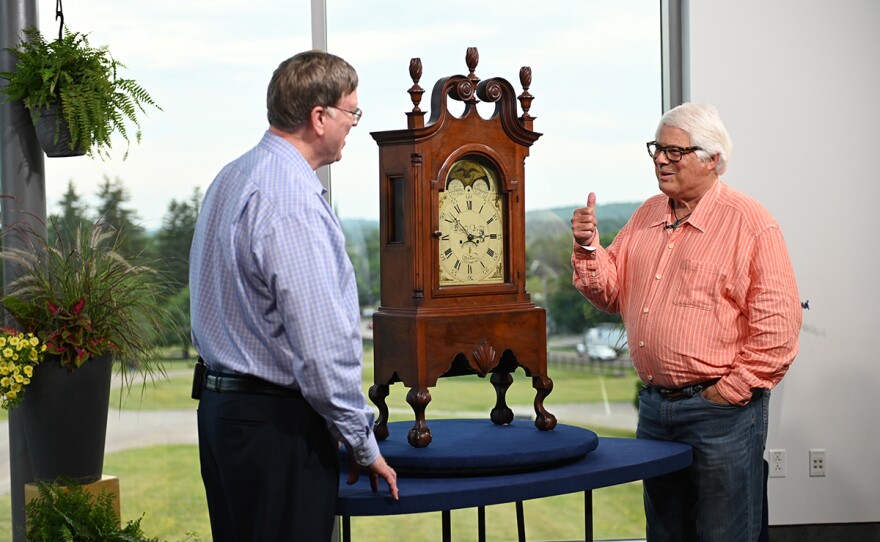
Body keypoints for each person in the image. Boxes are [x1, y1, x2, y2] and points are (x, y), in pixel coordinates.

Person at [189, 50, 398, 542]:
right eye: (352, 112)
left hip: (223, 419)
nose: (354, 125)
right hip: (276, 430)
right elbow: (322, 352)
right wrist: (362, 443)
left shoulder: (232, 177)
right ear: (319, 116)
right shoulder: (290, 199)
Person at [570, 103, 800, 541]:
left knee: (723, 533)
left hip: (722, 415)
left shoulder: (750, 224)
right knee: (665, 532)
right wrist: (588, 247)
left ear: (712, 160)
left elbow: (778, 329)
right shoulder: (647, 214)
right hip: (656, 410)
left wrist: (726, 393)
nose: (660, 159)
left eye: (675, 152)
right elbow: (610, 292)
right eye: (657, 148)